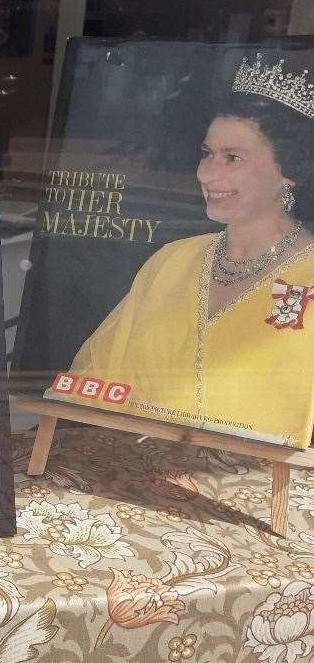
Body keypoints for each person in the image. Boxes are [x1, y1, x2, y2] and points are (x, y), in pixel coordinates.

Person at [49, 54, 314, 447]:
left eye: (233, 158)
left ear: (289, 171)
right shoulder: (173, 260)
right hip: (133, 474)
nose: (207, 173)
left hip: (262, 491)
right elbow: (93, 381)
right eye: (207, 153)